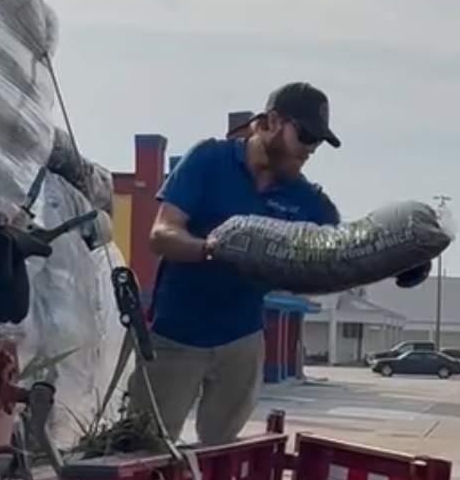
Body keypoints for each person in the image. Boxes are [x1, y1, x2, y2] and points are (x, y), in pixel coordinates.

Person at [135, 84, 341, 446]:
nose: (310, 149)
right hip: (176, 335)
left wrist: (405, 259)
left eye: (318, 142)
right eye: (305, 135)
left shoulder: (306, 200)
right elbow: (162, 234)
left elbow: (344, 252)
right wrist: (212, 250)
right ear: (273, 121)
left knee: (222, 455)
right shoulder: (209, 160)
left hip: (241, 343)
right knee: (144, 446)